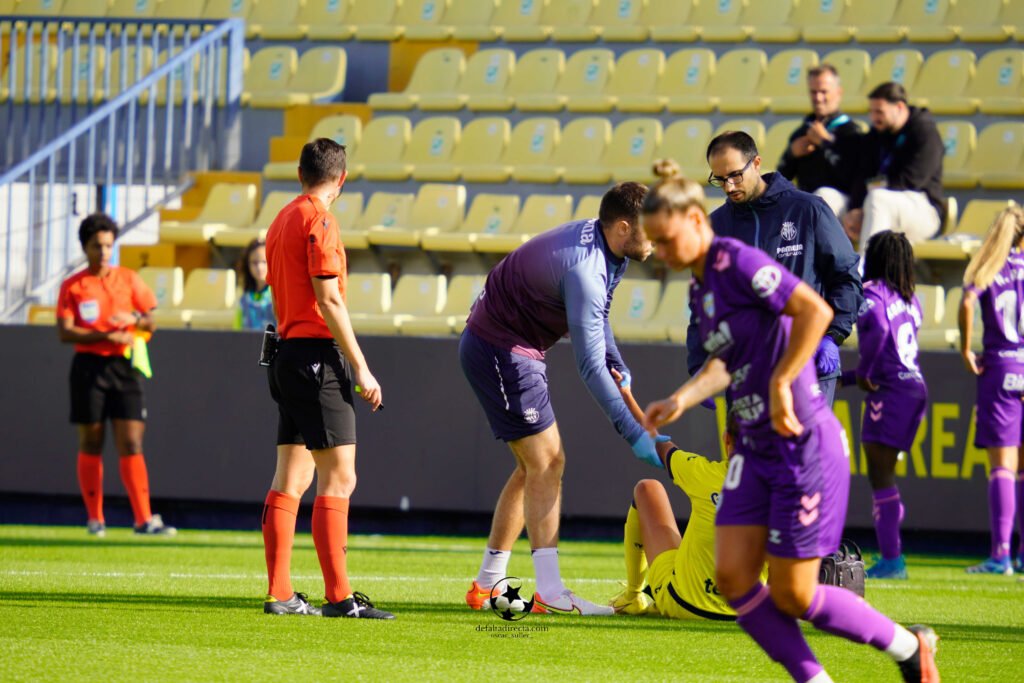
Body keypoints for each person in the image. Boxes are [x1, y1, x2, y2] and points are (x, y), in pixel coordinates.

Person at [641, 165, 939, 683]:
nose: (661, 255)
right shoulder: (701, 286)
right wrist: (682, 399)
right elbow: (725, 361)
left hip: (801, 444)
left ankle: (910, 648)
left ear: (694, 220)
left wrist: (781, 382)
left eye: (666, 241)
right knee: (734, 577)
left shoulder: (738, 261)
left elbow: (815, 312)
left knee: (795, 592)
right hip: (754, 448)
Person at [460, 182, 663, 616]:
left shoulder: (611, 247)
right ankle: (550, 591)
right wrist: (634, 433)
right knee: (548, 462)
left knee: (532, 466)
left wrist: (616, 357)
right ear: (624, 227)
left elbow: (600, 317)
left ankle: (487, 584)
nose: (661, 239)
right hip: (501, 349)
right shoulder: (587, 269)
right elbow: (588, 367)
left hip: (508, 345)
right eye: (653, 230)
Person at [261, 137, 393, 619]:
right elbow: (329, 298)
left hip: (285, 356)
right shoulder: (321, 220)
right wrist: (360, 366)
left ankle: (281, 594)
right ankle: (340, 598)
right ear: (341, 179)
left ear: (300, 174)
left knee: (290, 478)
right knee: (339, 478)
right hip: (316, 358)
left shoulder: (280, 219)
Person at [690, 137, 863, 406]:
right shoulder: (716, 227)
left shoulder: (807, 209)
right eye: (720, 179)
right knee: (747, 450)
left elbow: (846, 276)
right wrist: (698, 363)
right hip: (744, 370)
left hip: (806, 362)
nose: (729, 186)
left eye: (735, 175)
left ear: (756, 163)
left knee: (807, 449)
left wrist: (833, 336)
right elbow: (704, 301)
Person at [610, 372, 768, 620]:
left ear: (727, 440)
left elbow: (654, 439)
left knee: (647, 489)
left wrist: (627, 395)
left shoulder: (704, 473)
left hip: (683, 604)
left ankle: (633, 595)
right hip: (748, 615)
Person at [56, 213, 176, 538]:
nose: (104, 251)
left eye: (109, 245)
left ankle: (143, 519)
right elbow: (65, 333)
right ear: (85, 247)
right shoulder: (74, 285)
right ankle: (95, 519)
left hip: (124, 367)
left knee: (132, 441)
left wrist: (135, 319)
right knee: (91, 441)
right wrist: (106, 334)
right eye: (97, 245)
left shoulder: (128, 278)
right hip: (88, 369)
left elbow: (151, 320)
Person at [845, 232, 928, 580]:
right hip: (913, 387)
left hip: (890, 391)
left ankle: (893, 559)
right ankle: (892, 555)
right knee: (886, 475)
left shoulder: (872, 292)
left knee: (881, 476)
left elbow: (878, 325)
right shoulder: (911, 298)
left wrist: (863, 371)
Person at [958, 204, 1024, 576]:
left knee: (1002, 466)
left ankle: (1000, 555)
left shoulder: (988, 268)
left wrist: (968, 348)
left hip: (1001, 366)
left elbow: (968, 300)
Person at [843, 82, 945, 257]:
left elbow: (910, 180)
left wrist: (866, 209)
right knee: (827, 199)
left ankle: (866, 275)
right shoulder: (875, 135)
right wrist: (855, 209)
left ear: (899, 107)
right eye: (871, 112)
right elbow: (861, 176)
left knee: (878, 198)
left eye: (879, 112)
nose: (873, 118)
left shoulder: (925, 132)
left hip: (923, 210)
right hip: (879, 206)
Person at [777, 64, 862, 219]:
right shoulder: (802, 132)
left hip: (842, 204)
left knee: (823, 197)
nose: (818, 98)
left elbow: (853, 175)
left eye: (824, 92)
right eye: (813, 92)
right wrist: (791, 154)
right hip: (807, 205)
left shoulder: (850, 131)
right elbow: (780, 179)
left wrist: (825, 143)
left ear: (838, 93)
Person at [235, 238, 275, 331]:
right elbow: (237, 331)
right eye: (254, 262)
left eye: (264, 262)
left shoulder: (278, 296)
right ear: (247, 265)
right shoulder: (243, 300)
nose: (259, 267)